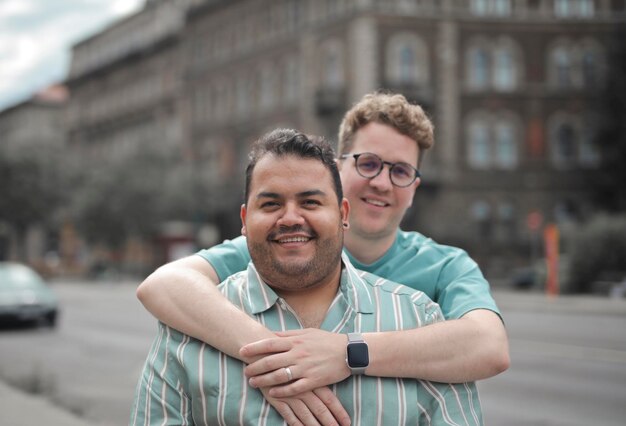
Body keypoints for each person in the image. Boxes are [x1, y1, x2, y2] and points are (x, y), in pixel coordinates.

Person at [136, 92, 509, 418]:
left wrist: (347, 353)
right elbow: (164, 286)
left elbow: (488, 347)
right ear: (339, 166)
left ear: (414, 187)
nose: (381, 182)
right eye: (368, 163)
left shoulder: (442, 268)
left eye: (400, 171)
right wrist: (277, 361)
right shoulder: (282, 246)